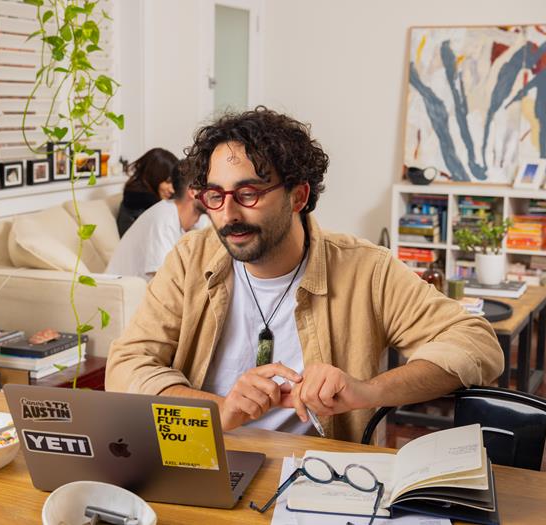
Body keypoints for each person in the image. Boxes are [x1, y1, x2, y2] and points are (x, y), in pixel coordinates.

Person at [106, 107, 503, 442]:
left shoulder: (365, 269)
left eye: (249, 194)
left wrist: (367, 391)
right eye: (216, 196)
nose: (228, 214)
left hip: (318, 479)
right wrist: (219, 411)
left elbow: (476, 343)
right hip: (206, 458)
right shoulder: (189, 259)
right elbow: (126, 365)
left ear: (299, 196)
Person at [105, 164, 208, 281]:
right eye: (213, 189)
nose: (220, 195)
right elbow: (165, 282)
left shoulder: (200, 221)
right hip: (125, 292)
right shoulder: (163, 218)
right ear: (193, 192)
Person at [116, 148, 179, 237]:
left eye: (174, 182)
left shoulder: (159, 203)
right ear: (153, 177)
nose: (172, 190)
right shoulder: (136, 205)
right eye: (168, 181)